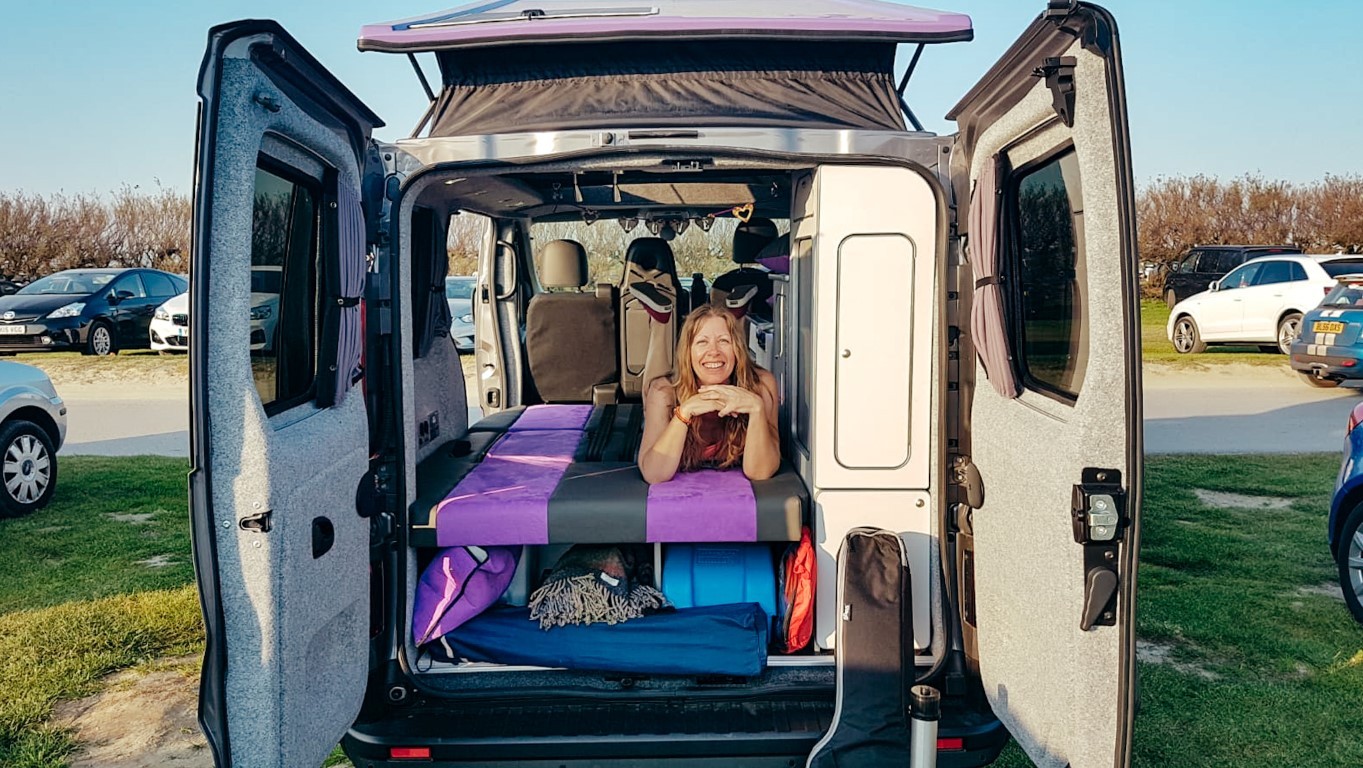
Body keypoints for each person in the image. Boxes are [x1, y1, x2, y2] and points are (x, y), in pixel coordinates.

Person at [638, 303, 780, 484]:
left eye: (724, 341)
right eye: (702, 342)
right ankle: (659, 324)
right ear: (687, 352)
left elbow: (760, 472)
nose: (714, 352)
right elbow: (654, 474)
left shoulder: (761, 385)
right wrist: (684, 413)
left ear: (737, 350)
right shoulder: (664, 392)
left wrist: (756, 409)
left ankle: (739, 314)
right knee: (655, 388)